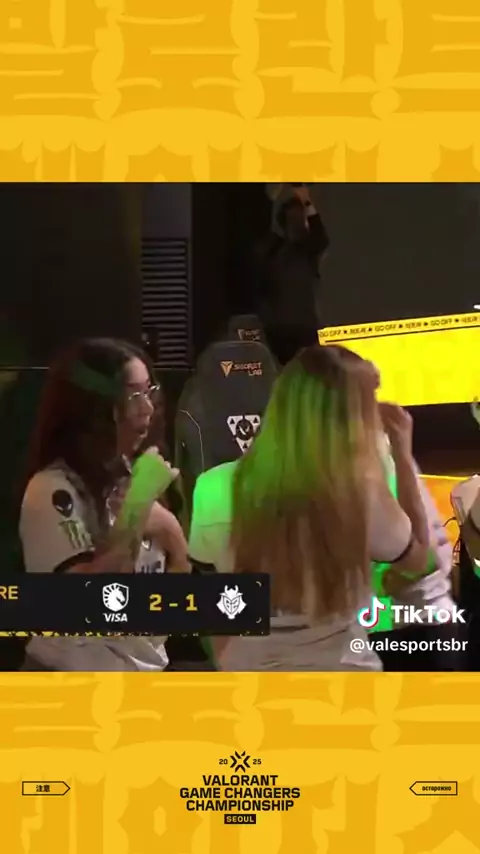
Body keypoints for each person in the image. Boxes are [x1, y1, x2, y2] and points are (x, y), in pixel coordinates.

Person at [189, 344, 432, 671]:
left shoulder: (211, 486)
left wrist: (227, 663)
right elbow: (416, 560)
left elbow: (211, 596)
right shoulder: (360, 494)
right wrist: (402, 452)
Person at [19, 337, 190, 671]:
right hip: (67, 680)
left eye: (149, 392)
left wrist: (170, 531)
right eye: (132, 396)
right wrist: (137, 507)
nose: (147, 408)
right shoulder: (52, 489)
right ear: (94, 408)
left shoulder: (140, 474)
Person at [255, 185, 329, 365]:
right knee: (306, 372)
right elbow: (318, 232)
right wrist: (305, 200)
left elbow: (319, 233)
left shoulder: (275, 249)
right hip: (295, 328)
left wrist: (272, 200)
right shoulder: (303, 249)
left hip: (283, 329)